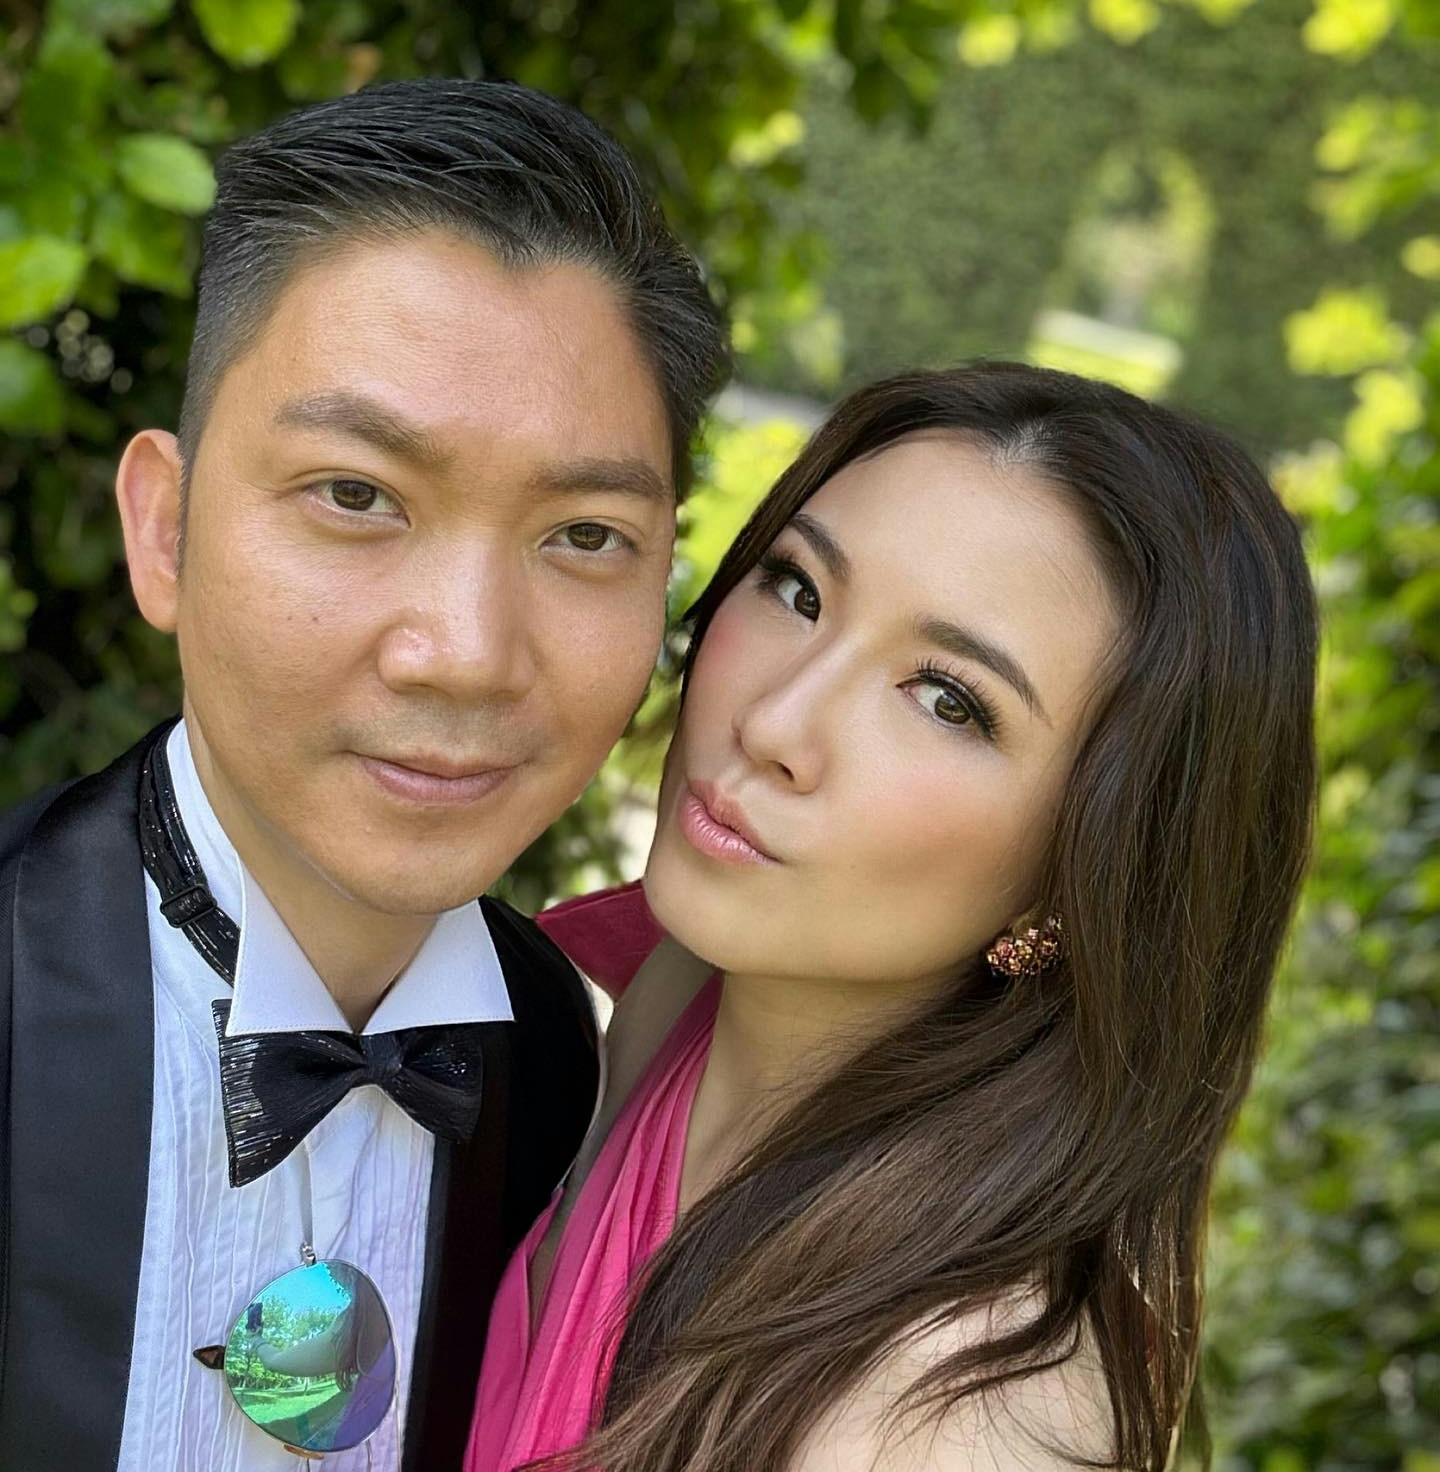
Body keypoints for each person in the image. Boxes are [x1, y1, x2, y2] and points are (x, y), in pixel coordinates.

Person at [0, 77, 728, 1470]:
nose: (466, 656)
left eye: (584, 535)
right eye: (355, 495)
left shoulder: (562, 1065)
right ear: (165, 531)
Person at [466, 362, 1319, 1472]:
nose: (776, 722)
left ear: (1086, 874)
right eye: (797, 590)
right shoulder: (688, 994)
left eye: (948, 699)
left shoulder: (957, 1420)